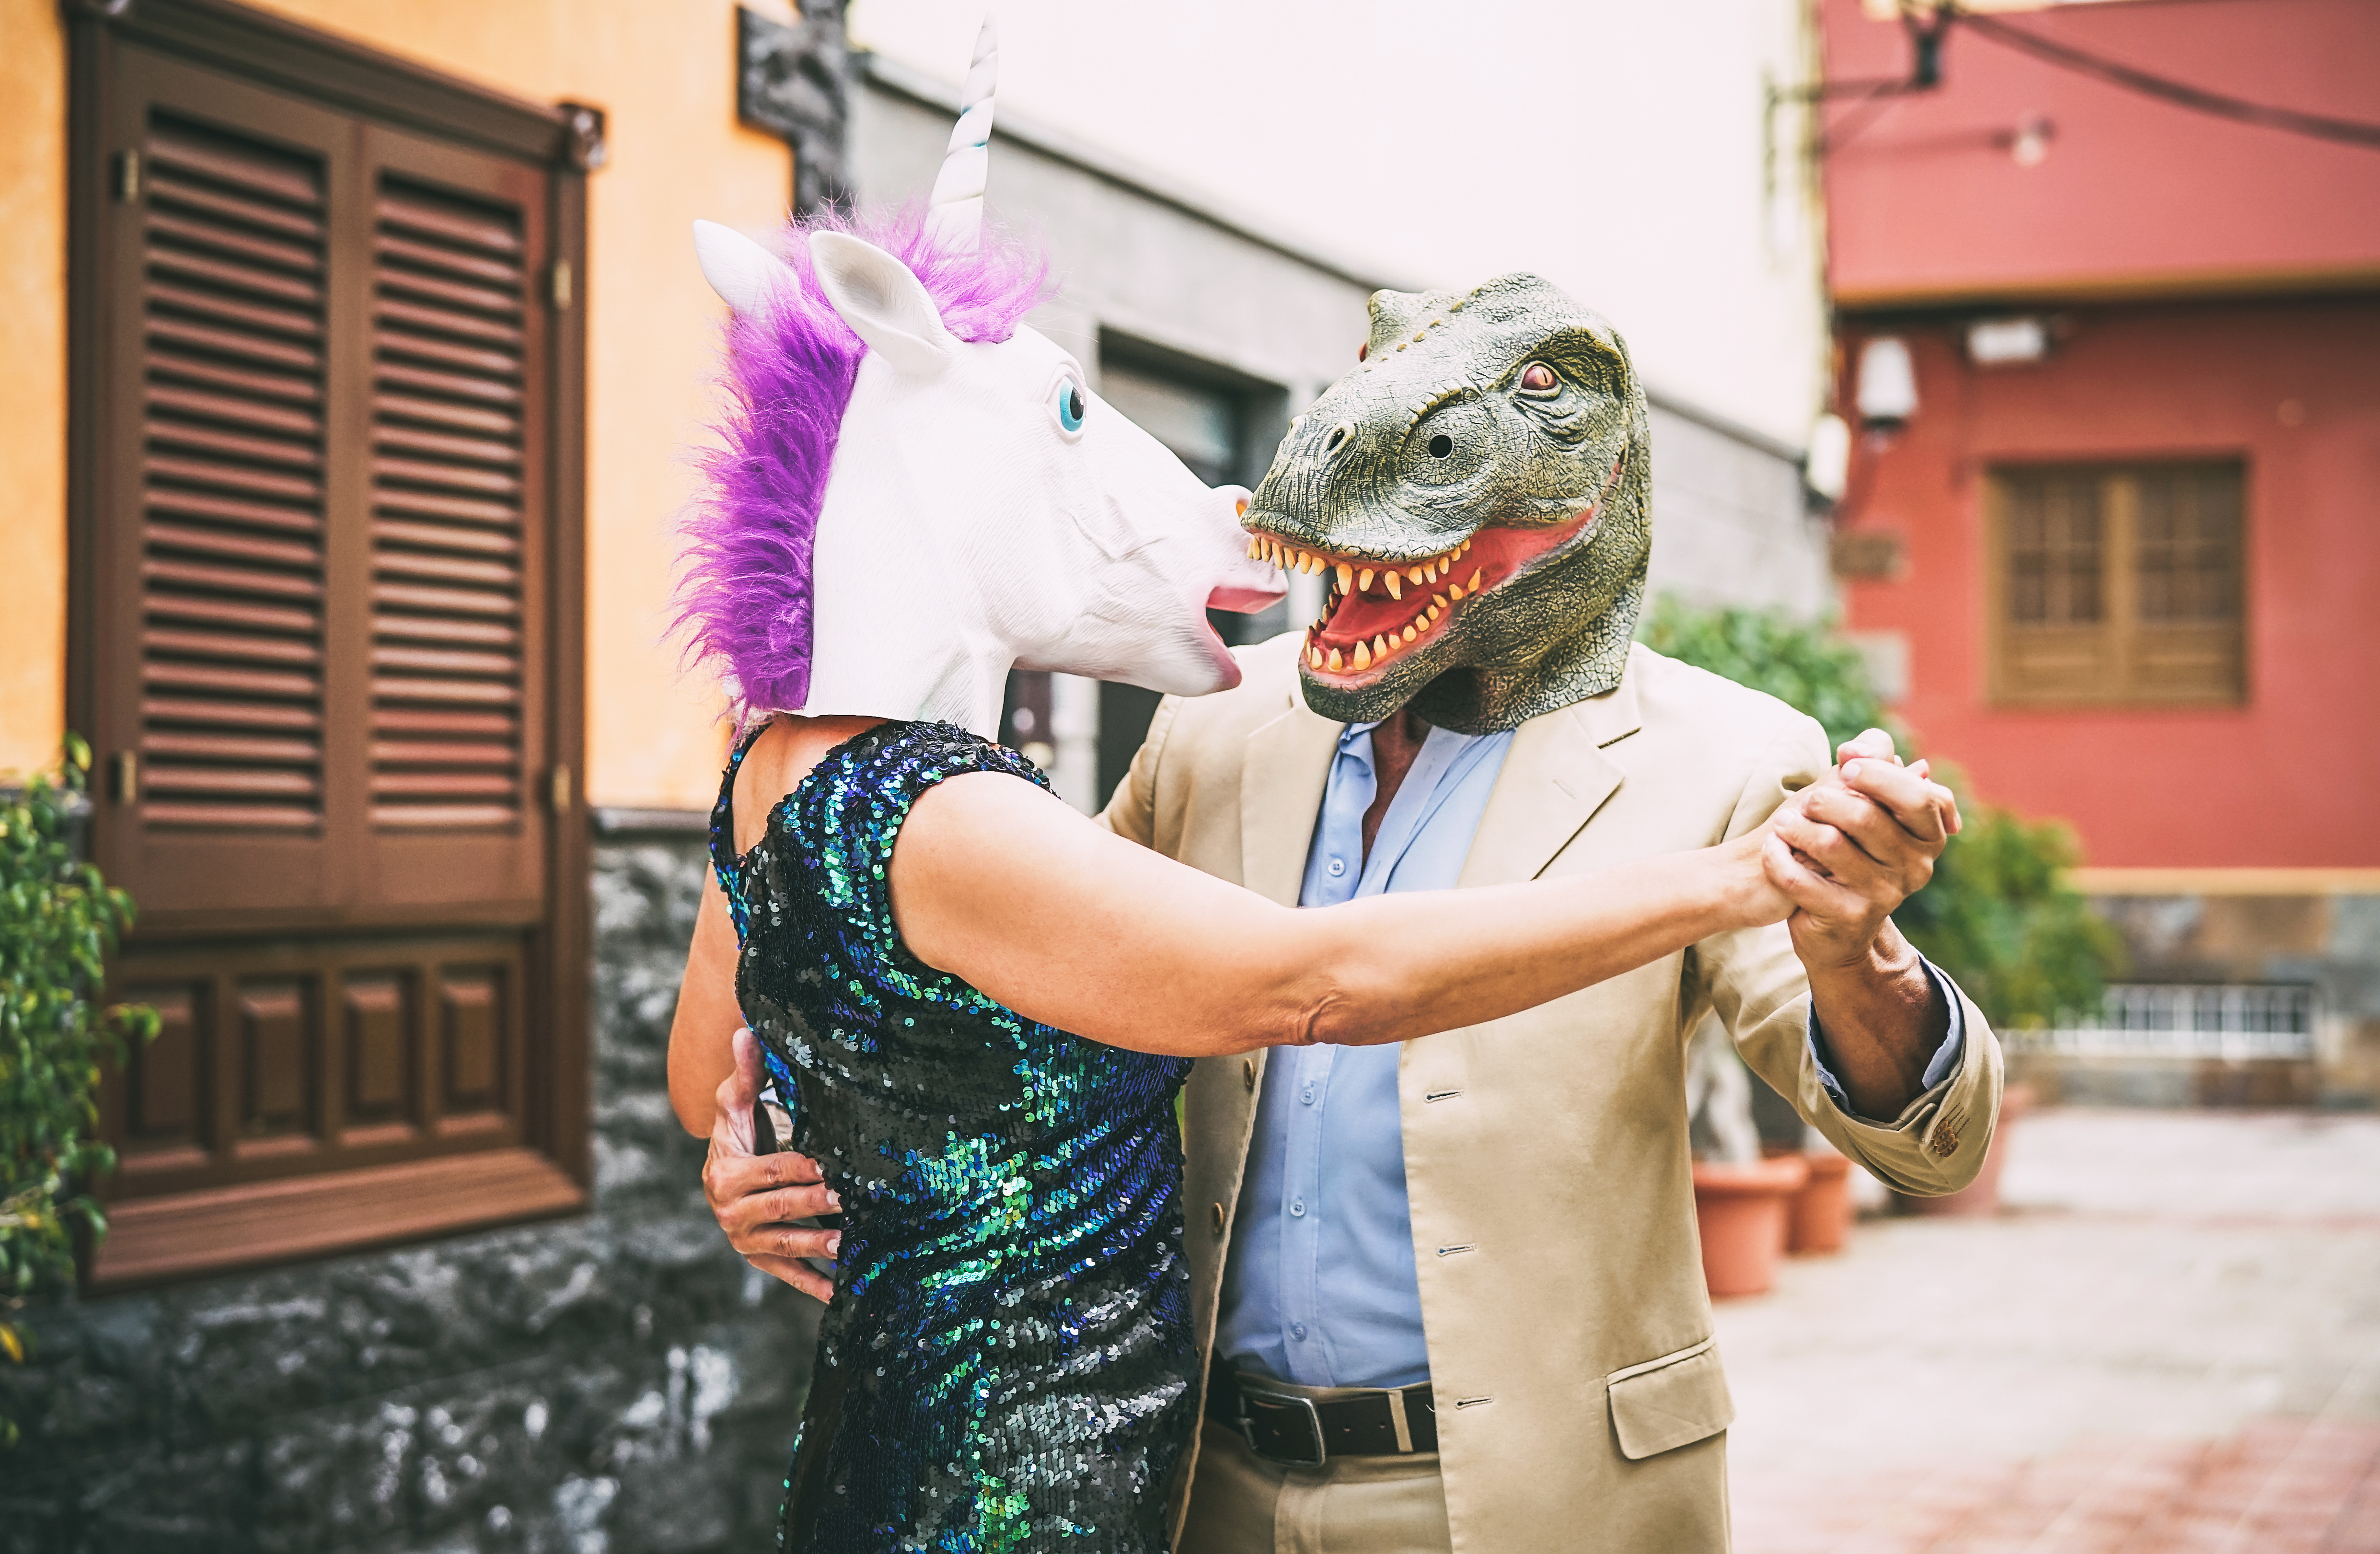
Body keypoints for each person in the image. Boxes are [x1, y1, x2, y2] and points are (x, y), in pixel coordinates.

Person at [1098, 270, 2007, 1554]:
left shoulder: (1732, 759)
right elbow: (1017, 982)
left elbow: (1936, 1146)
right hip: (1212, 1487)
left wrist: (1855, 943)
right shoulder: (1206, 722)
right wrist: (796, 1118)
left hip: (1540, 1500)